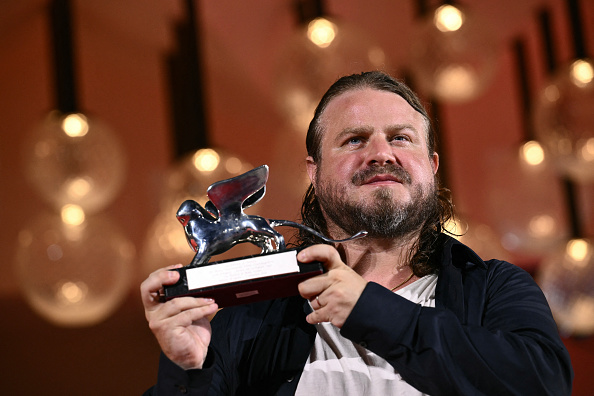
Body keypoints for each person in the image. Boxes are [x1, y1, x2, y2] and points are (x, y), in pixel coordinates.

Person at [141, 71, 573, 395]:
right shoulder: (251, 317)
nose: (381, 154)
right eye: (354, 140)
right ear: (315, 172)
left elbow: (544, 384)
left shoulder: (494, 288)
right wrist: (186, 369)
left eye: (401, 138)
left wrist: (369, 310)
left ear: (432, 166)